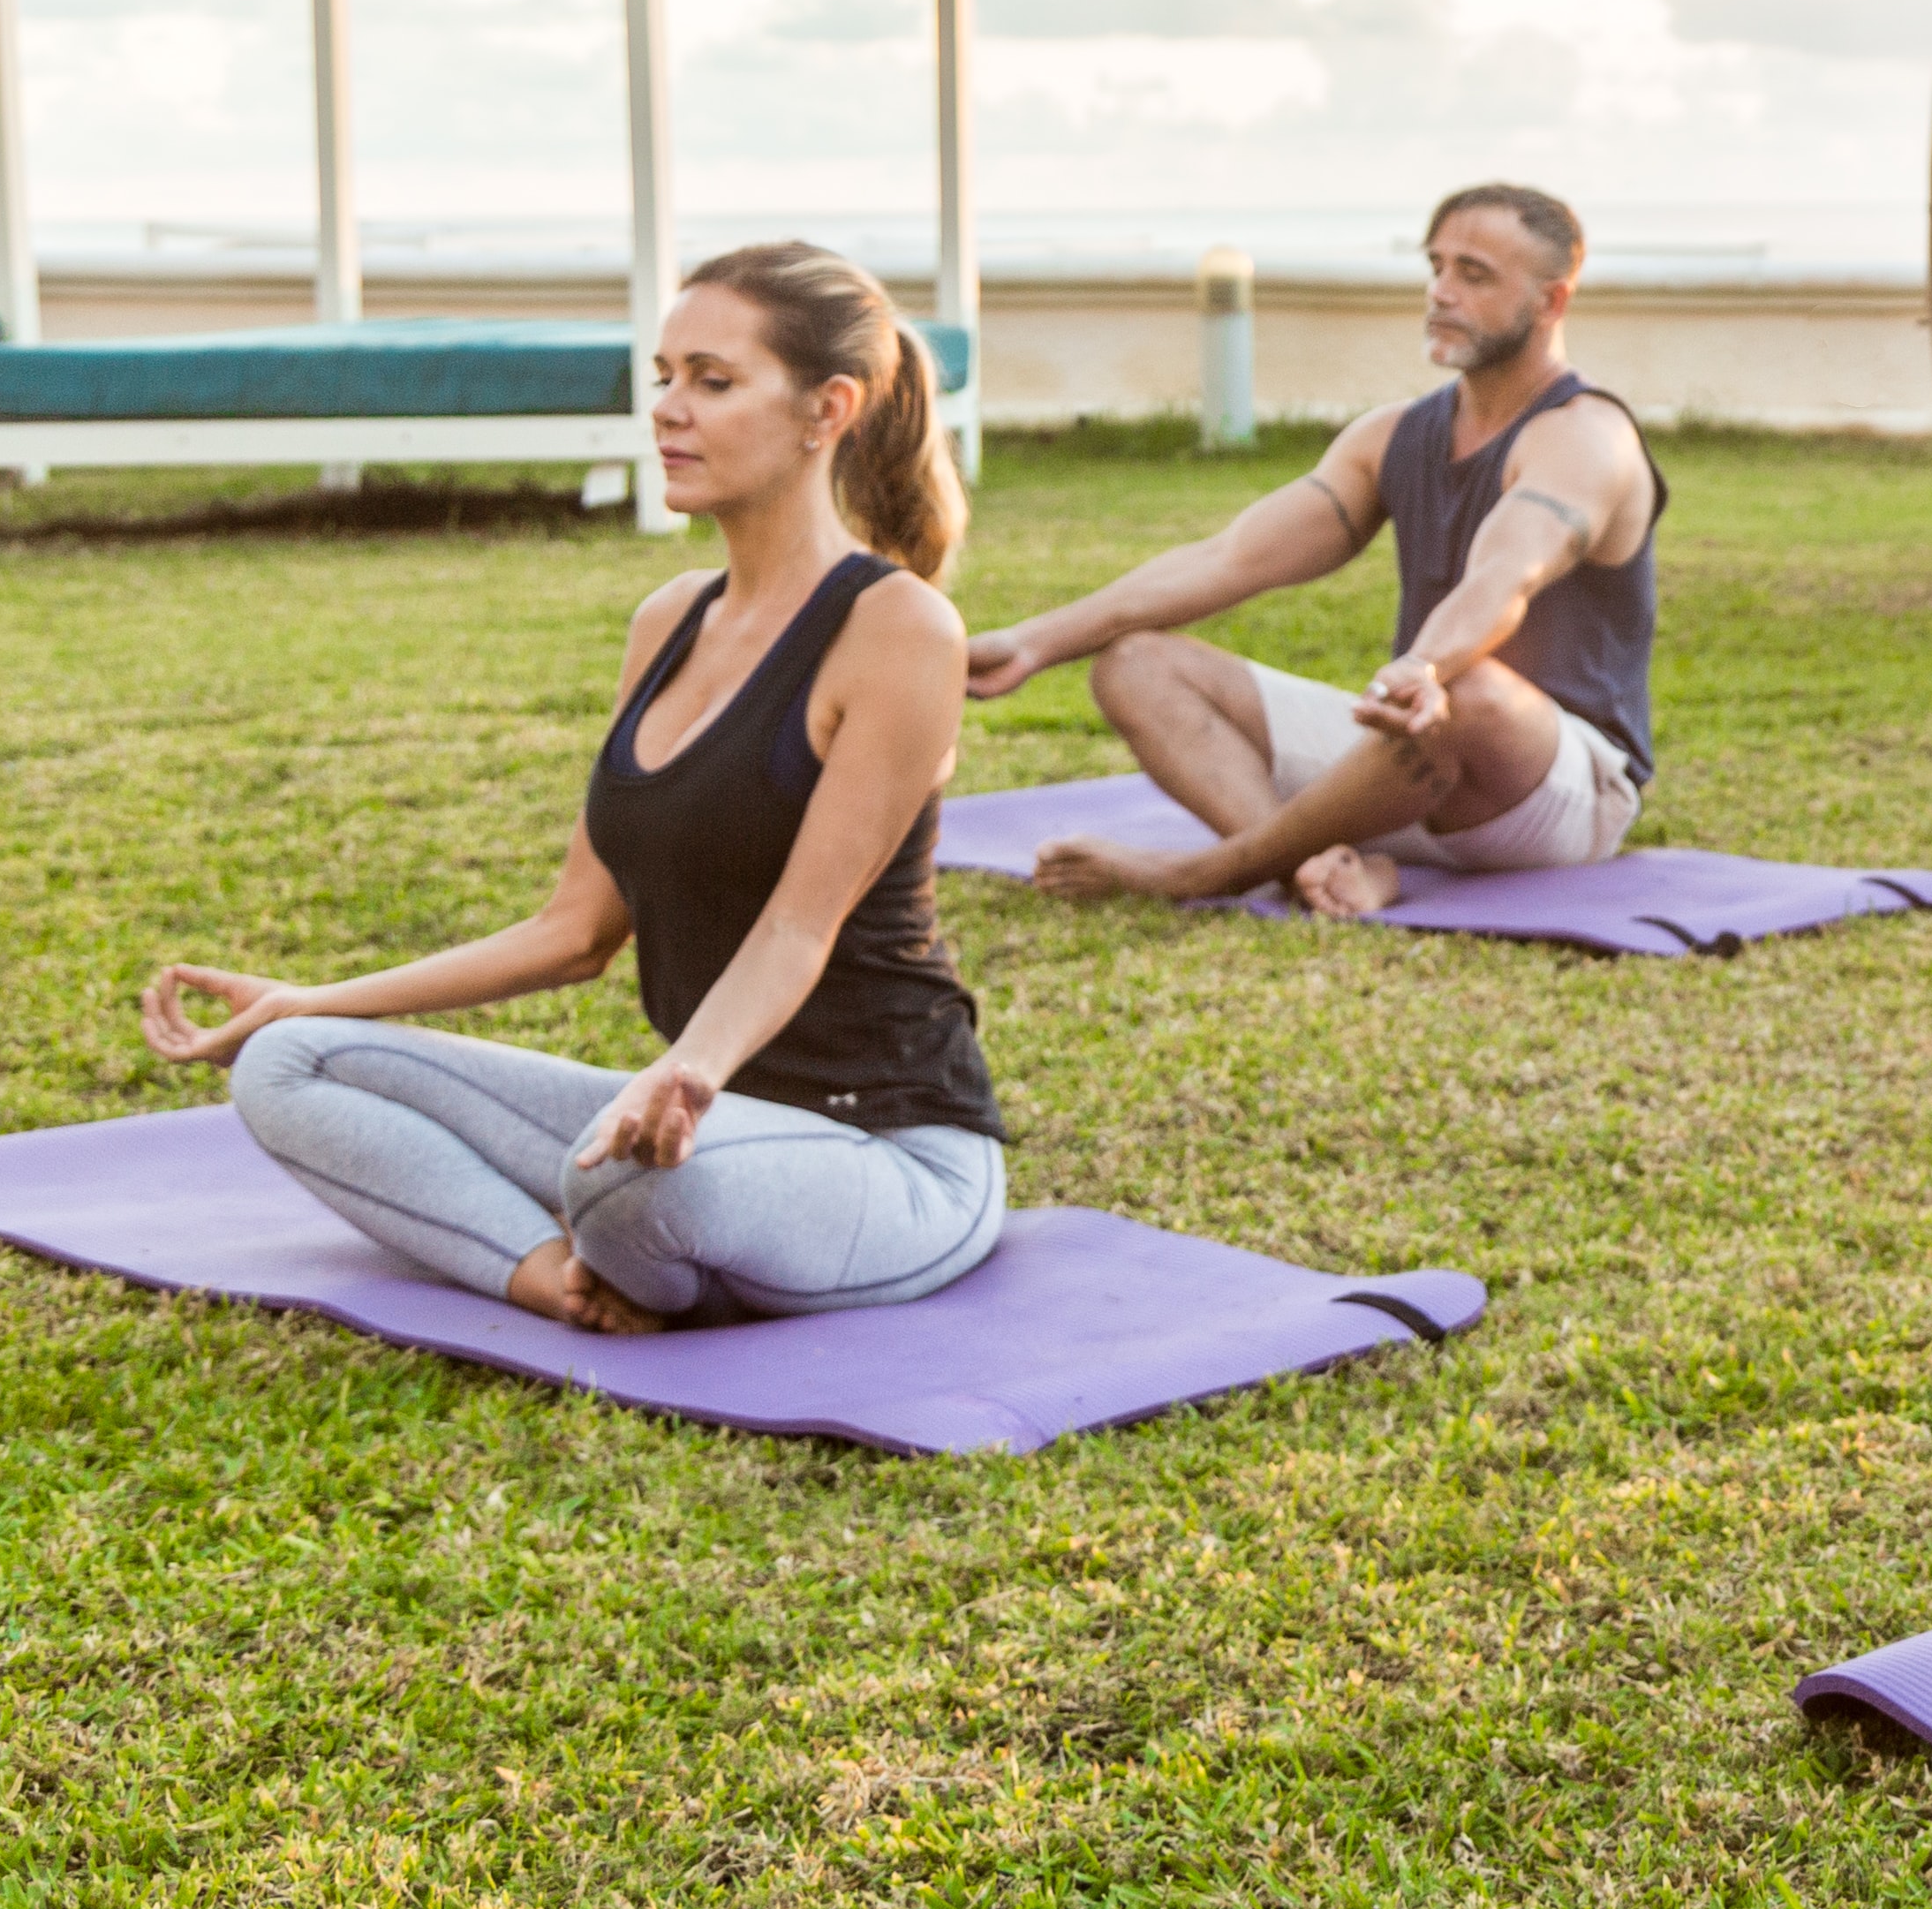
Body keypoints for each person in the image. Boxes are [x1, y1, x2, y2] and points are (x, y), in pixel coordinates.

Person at [139, 245, 1005, 1336]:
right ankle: (555, 1277)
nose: (669, 411)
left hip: (888, 1150)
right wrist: (308, 996)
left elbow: (798, 926)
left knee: (627, 1181)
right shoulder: (669, 621)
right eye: (664, 377)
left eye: (713, 380)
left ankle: (630, 1236)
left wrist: (689, 1068)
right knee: (288, 1062)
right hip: (704, 1119)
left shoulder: (897, 628)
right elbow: (573, 928)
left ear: (826, 408)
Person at [964, 182, 1663, 918]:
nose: (1441, 293)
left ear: (1552, 302)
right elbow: (1228, 560)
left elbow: (1506, 572)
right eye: (1437, 267)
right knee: (1136, 664)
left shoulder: (1587, 438)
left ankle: (1212, 872)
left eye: (1474, 275)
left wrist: (1426, 667)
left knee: (1475, 691)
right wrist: (1033, 644)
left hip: (1551, 787)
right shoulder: (1392, 437)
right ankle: (1323, 867)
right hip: (1410, 754)